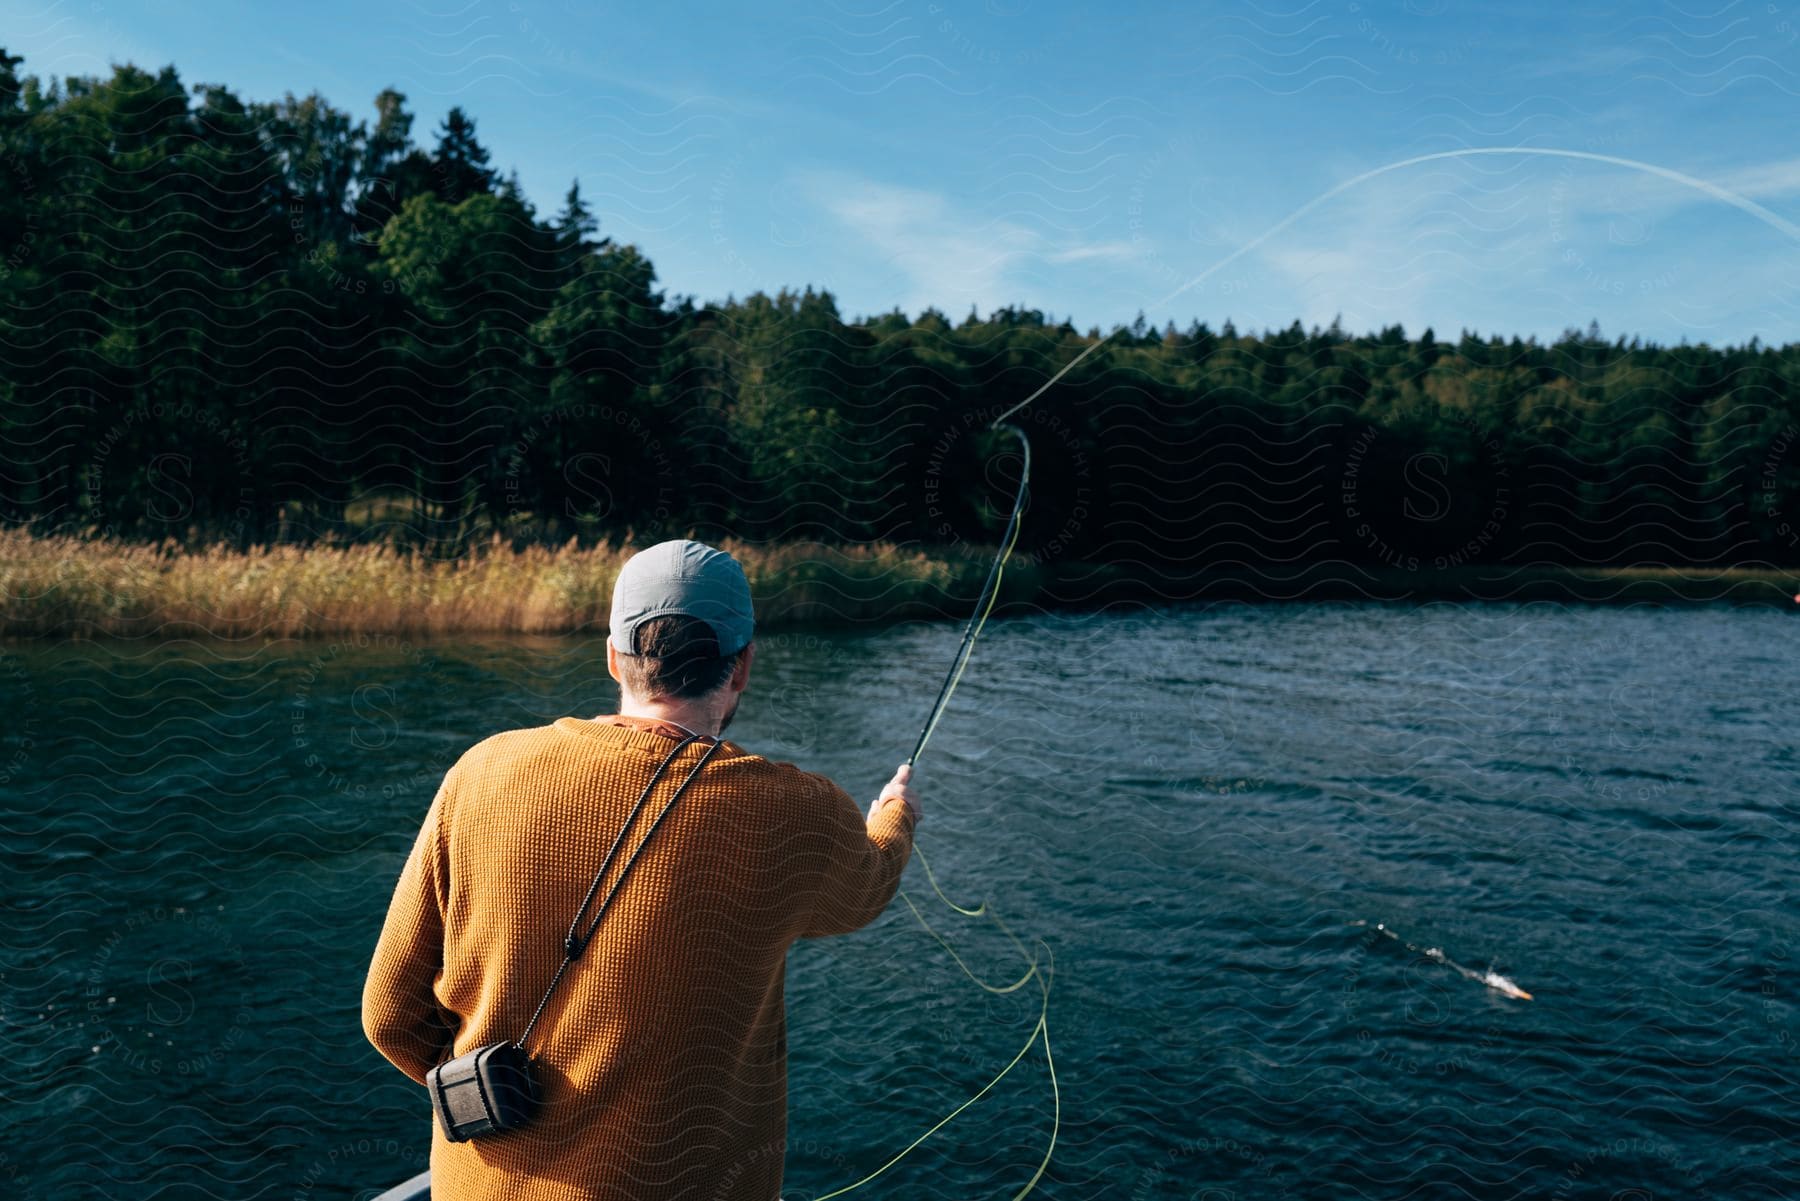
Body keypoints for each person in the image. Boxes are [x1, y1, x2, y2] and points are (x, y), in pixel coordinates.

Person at [361, 539, 919, 1201]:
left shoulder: (481, 773)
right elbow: (868, 884)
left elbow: (390, 1016)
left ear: (612, 656)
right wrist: (893, 815)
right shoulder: (798, 811)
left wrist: (489, 1091)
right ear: (741, 667)